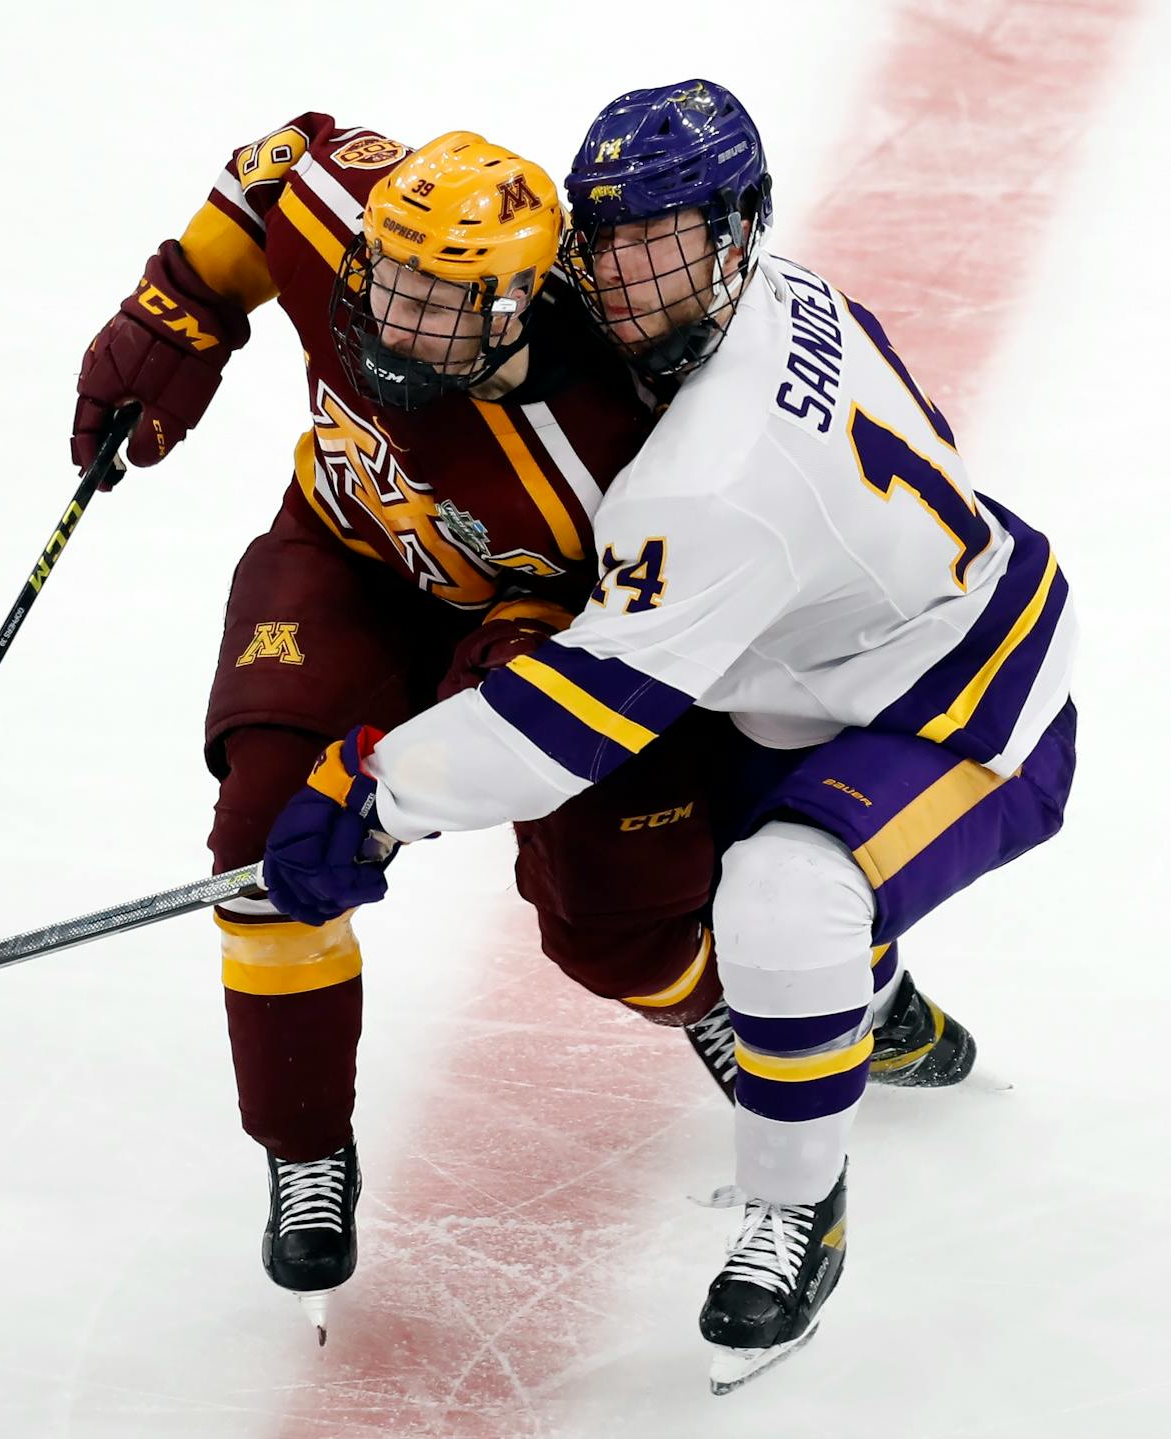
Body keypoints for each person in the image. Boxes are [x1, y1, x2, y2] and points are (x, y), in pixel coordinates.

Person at [256, 80, 1077, 1392]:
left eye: (668, 244)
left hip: (958, 699)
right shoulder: (762, 293)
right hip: (801, 663)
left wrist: (376, 789)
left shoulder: (713, 478)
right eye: (612, 238)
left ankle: (800, 1207)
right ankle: (866, 1002)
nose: (630, 279)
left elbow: (577, 718)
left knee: (786, 892)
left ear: (738, 233)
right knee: (667, 896)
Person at [68, 120, 730, 1340]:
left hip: (516, 641)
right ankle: (306, 1145)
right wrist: (174, 318)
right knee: (261, 852)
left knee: (618, 917)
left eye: (437, 302)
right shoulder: (345, 214)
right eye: (389, 279)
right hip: (340, 555)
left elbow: (603, 629)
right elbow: (274, 169)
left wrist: (436, 733)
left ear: (520, 307)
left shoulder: (606, 447)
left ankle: (714, 996)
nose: (390, 317)